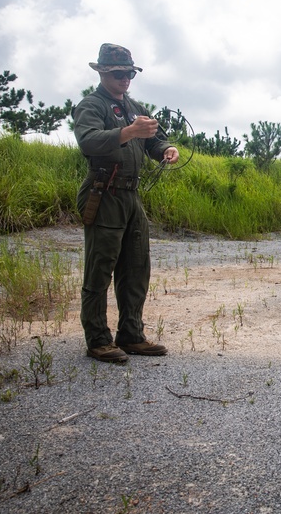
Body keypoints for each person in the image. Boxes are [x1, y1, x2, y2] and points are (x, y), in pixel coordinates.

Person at [73, 43, 178, 363]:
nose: (125, 78)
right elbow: (88, 140)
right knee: (99, 269)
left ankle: (131, 335)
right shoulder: (91, 105)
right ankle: (98, 339)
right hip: (104, 194)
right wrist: (128, 131)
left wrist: (164, 149)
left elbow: (151, 140)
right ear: (103, 73)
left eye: (129, 73)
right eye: (119, 73)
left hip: (132, 196)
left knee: (136, 267)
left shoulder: (133, 106)